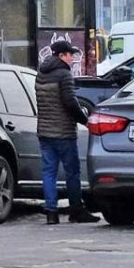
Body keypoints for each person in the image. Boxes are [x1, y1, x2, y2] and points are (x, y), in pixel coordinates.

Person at [34, 38, 97, 224]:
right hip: (63, 132)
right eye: (70, 55)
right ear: (61, 55)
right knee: (72, 171)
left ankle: (51, 213)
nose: (72, 58)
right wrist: (84, 120)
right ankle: (76, 210)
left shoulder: (41, 73)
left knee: (49, 172)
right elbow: (70, 102)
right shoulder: (64, 74)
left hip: (44, 131)